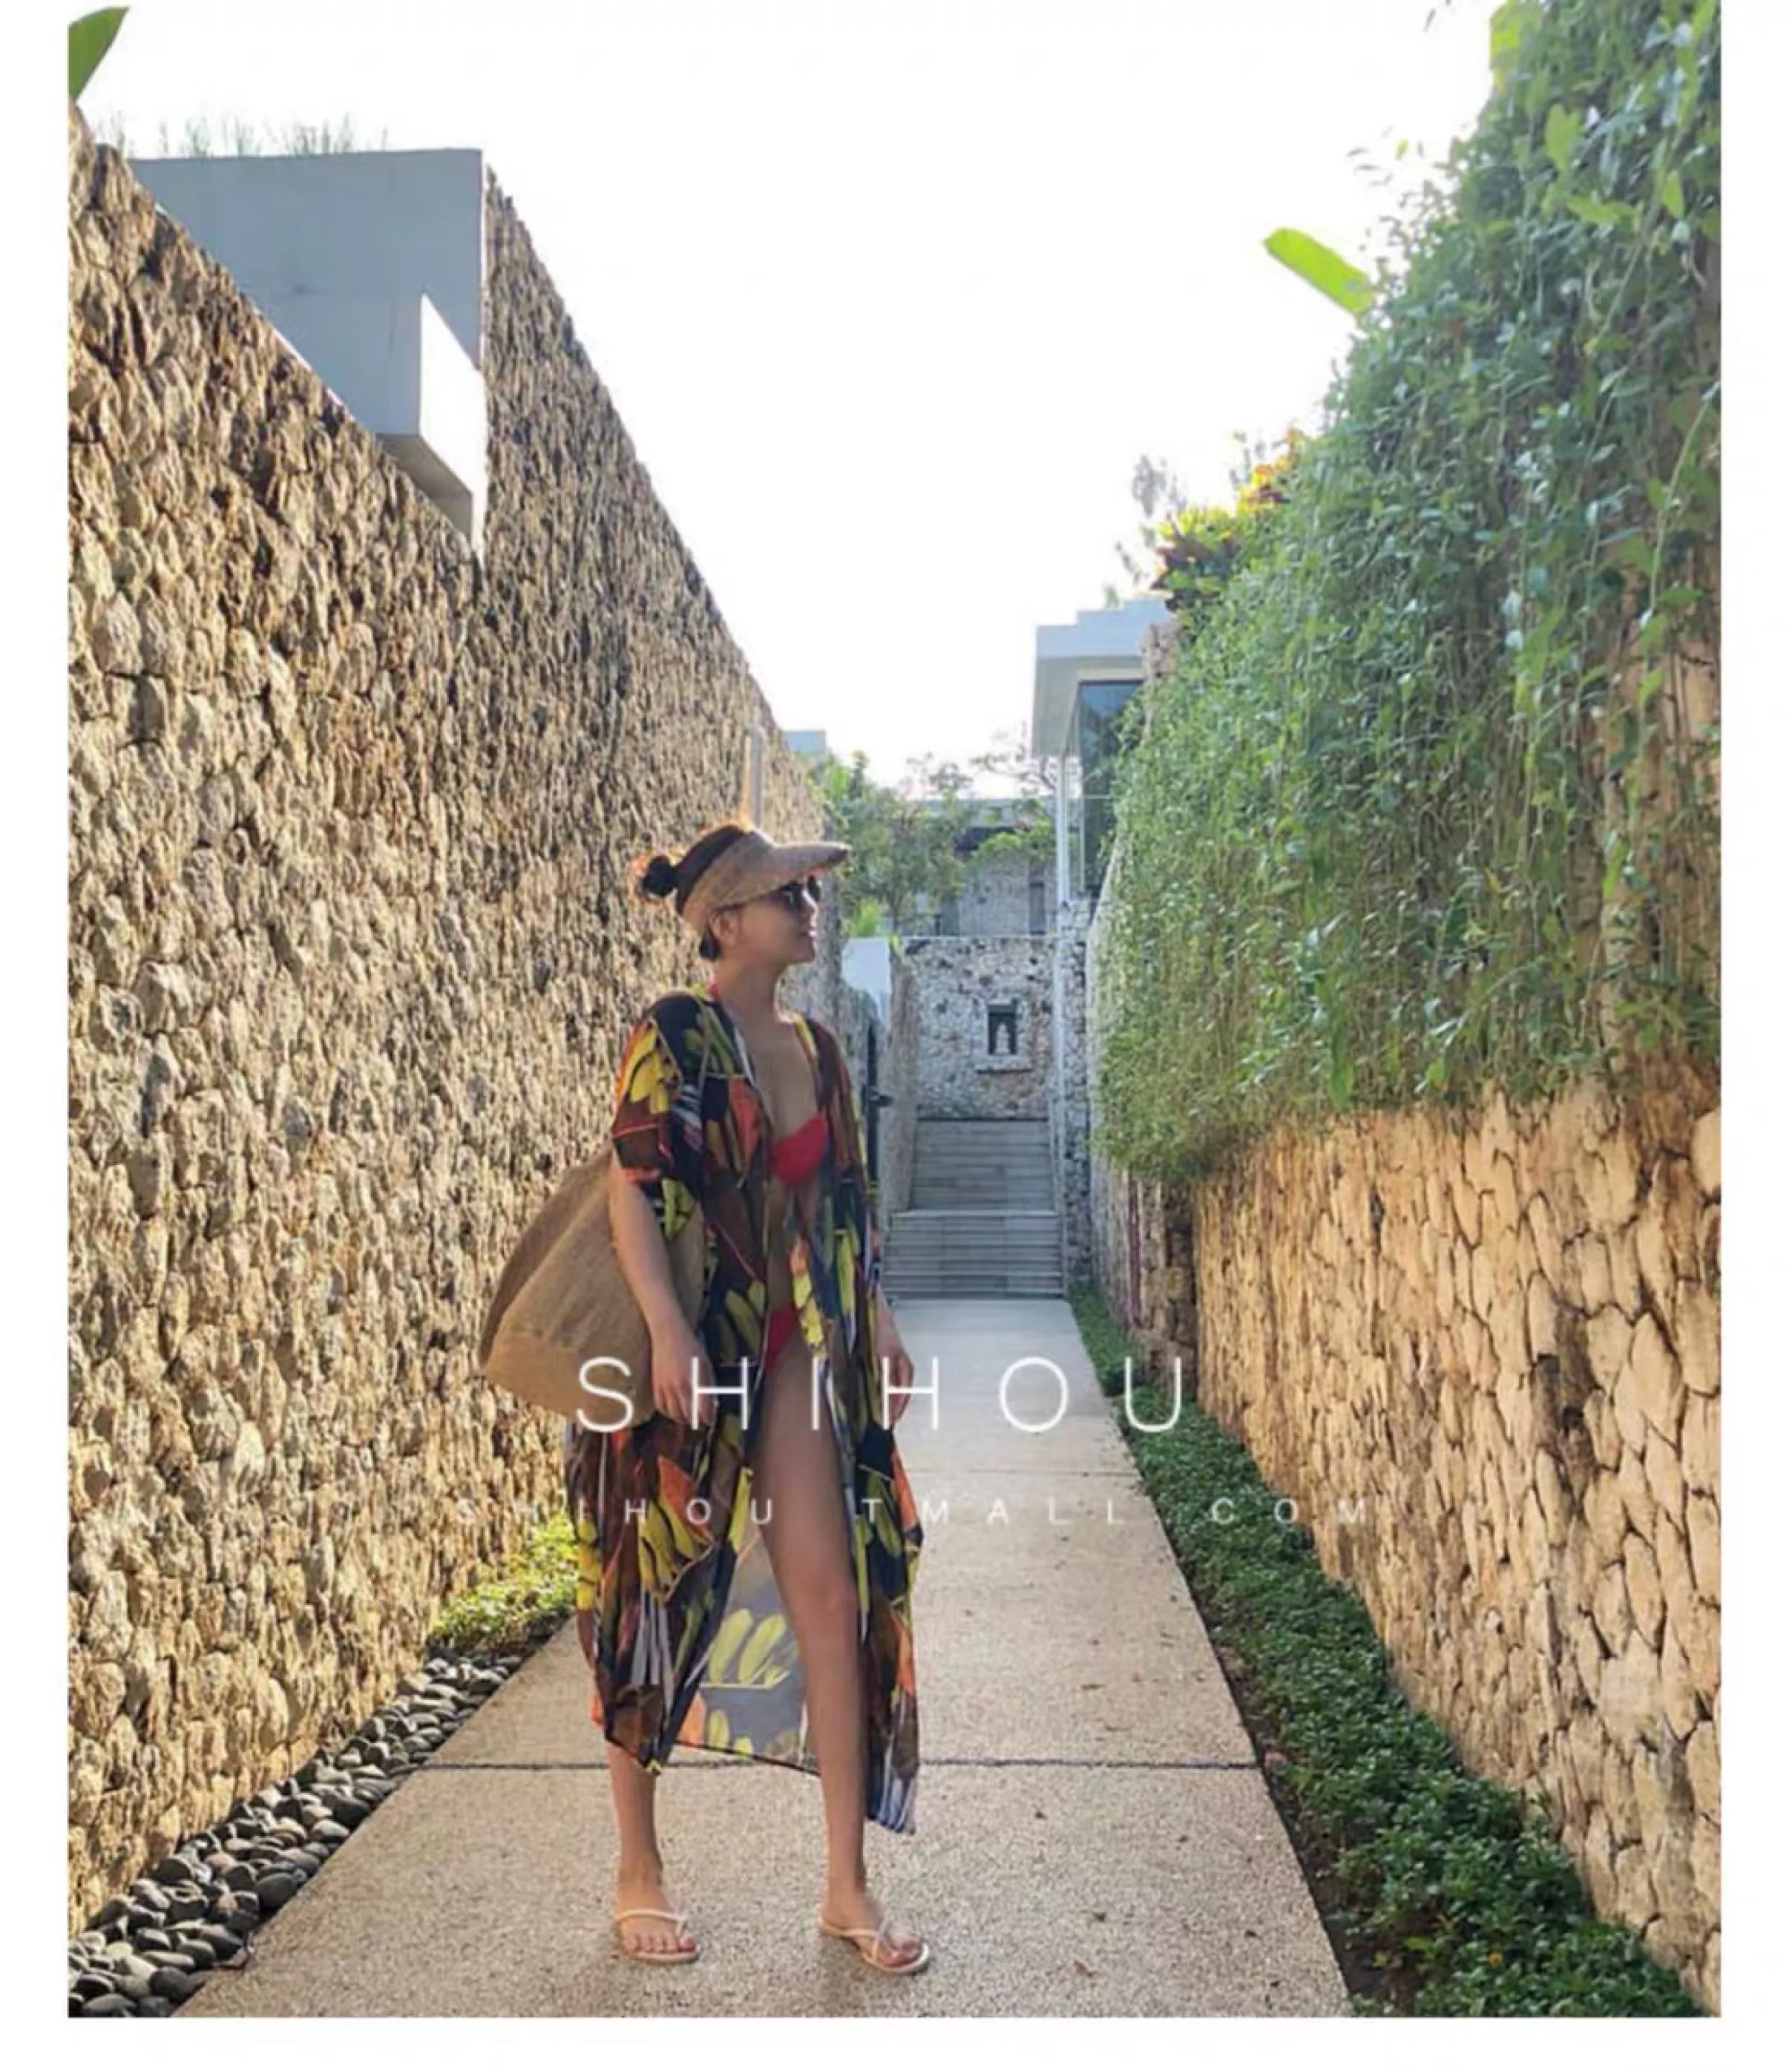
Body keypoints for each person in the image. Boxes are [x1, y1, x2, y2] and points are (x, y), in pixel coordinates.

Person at [563, 820, 930, 1975]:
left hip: (797, 1348)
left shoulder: (818, 1049)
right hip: (690, 1350)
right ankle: (638, 1868)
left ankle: (845, 1886)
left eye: (811, 895)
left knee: (832, 1593)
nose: (809, 909)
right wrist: (668, 1332)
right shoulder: (675, 1032)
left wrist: (881, 1320)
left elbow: (845, 1205)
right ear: (724, 922)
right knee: (650, 1588)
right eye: (788, 895)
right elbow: (633, 1188)